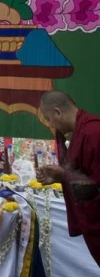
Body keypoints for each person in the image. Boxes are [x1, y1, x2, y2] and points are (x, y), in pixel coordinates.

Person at [37, 91, 100, 267]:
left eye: (48, 119)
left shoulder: (94, 133)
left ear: (57, 112)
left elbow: (96, 186)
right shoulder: (82, 131)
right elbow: (86, 175)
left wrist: (64, 174)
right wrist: (60, 178)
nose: (50, 124)